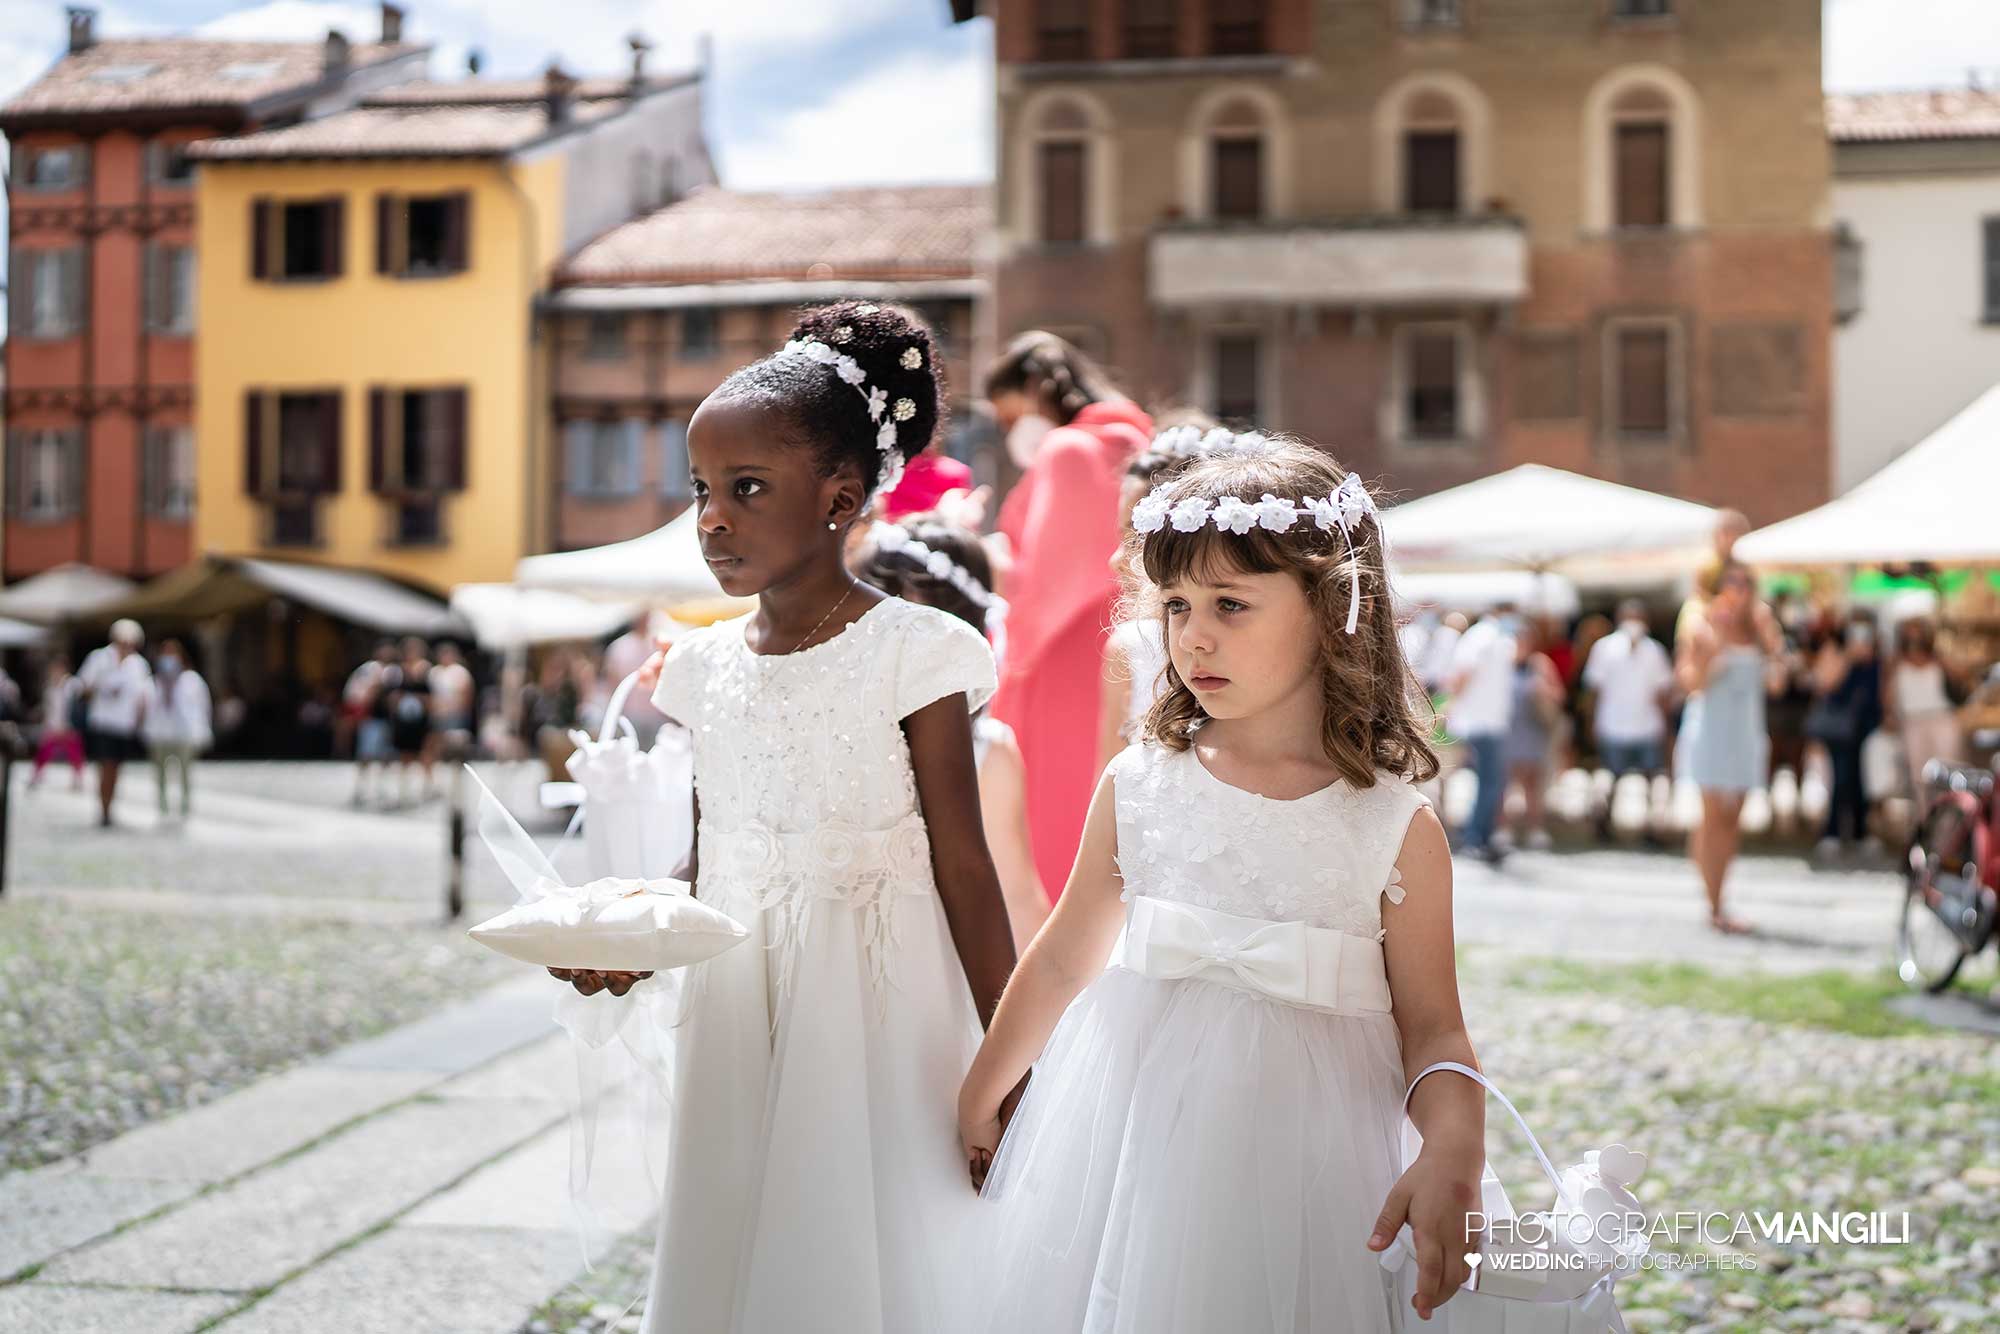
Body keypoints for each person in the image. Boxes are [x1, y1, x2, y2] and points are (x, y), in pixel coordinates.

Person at [561, 301, 1016, 1334]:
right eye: (700, 492)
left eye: (746, 489)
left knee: (869, 1244)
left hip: (879, 1007)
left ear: (839, 496)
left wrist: (1010, 1059)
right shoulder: (701, 669)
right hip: (736, 997)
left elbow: (965, 868)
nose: (711, 518)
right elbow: (699, 862)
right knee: (741, 1233)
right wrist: (623, 944)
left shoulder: (914, 651)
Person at [958, 441, 1484, 1331]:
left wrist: (1456, 1149)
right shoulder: (1141, 782)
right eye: (1175, 606)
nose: (1192, 635)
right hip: (1139, 1138)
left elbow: (1434, 1028)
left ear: (1331, 611)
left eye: (1231, 605)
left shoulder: (1393, 829)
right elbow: (1060, 961)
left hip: (1314, 1162)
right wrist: (984, 1088)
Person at [983, 330, 1154, 897]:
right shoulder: (1137, 442)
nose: (1009, 433)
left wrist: (995, 571)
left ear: (1035, 392)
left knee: (1055, 826)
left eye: (1008, 418)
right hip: (1121, 650)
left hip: (1058, 662)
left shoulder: (1070, 451)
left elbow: (1050, 584)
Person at [854, 513, 1049, 952]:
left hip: (934, 964)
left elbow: (1016, 897)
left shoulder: (987, 753)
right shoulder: (822, 725)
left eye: (914, 627)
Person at [1675, 560, 1782, 933]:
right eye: (1731, 582)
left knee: (1732, 820)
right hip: (1711, 730)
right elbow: (1692, 683)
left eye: (1745, 583)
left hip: (1746, 731)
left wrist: (1774, 646)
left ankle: (1718, 889)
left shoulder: (1758, 630)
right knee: (1712, 817)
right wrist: (1714, 644)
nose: (1739, 590)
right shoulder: (1700, 624)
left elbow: (1777, 684)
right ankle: (1715, 905)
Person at [1582, 599, 1675, 841]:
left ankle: (1651, 823)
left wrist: (1591, 721)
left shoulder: (1609, 648)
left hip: (1626, 725)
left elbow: (1593, 690)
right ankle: (1649, 826)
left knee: (1629, 776)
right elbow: (1662, 694)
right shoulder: (1651, 650)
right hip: (1634, 725)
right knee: (1647, 777)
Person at [1444, 604, 1519, 863]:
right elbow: (1462, 674)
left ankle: (1482, 836)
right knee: (1487, 782)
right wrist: (1451, 705)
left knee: (1491, 783)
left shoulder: (1499, 639)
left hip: (1489, 721)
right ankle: (1475, 838)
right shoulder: (1481, 637)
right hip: (1477, 722)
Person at [1810, 610, 1885, 860]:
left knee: (1861, 781)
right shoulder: (1836, 649)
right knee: (1841, 779)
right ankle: (1832, 832)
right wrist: (1849, 658)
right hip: (1840, 729)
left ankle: (1859, 833)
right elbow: (1824, 682)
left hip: (1866, 726)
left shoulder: (1878, 655)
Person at [78, 619, 153, 827]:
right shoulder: (99, 658)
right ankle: (104, 808)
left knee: (116, 767)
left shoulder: (138, 664)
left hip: (124, 724)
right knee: (106, 765)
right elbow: (83, 687)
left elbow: (144, 695)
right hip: (103, 722)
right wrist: (101, 688)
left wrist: (141, 721)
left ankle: (108, 807)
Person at [1886, 615, 1963, 802]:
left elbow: (1960, 678)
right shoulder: (1896, 663)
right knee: (1919, 776)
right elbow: (1888, 696)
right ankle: (1925, 820)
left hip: (1941, 720)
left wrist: (1939, 657)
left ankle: (1950, 820)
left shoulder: (1938, 660)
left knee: (1948, 773)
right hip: (1912, 722)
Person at [1503, 627, 1566, 850]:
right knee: (1508, 782)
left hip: (1534, 730)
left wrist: (1543, 691)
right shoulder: (1503, 664)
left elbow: (1559, 695)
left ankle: (1535, 829)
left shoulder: (1540, 664)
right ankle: (1504, 830)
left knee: (1533, 782)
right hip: (1510, 731)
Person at [143, 639, 212, 820]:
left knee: (185, 772)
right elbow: (146, 707)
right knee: (160, 774)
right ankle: (163, 806)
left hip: (184, 733)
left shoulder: (192, 680)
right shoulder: (154, 682)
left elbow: (203, 707)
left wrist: (203, 732)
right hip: (159, 733)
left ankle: (185, 806)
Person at [346, 640, 398, 806]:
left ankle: (382, 788)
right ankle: (360, 788)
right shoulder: (368, 669)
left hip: (388, 719)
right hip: (371, 718)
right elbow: (355, 692)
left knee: (386, 756)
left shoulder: (395, 671)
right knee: (366, 754)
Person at [385, 637, 432, 805]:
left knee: (425, 753)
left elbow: (431, 697)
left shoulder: (426, 670)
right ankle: (403, 789)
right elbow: (390, 696)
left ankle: (427, 788)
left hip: (422, 721)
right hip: (403, 721)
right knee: (404, 755)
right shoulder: (397, 672)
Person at [29, 655, 85, 790]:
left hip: (69, 725)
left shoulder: (72, 685)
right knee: (44, 751)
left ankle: (78, 779)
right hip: (53, 725)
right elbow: (48, 708)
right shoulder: (49, 686)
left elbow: (79, 703)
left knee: (75, 753)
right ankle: (36, 776)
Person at [426, 641, 475, 762]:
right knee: (438, 742)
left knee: (457, 743)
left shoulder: (460, 672)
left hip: (455, 714)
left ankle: (458, 765)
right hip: (438, 715)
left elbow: (467, 694)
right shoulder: (434, 672)